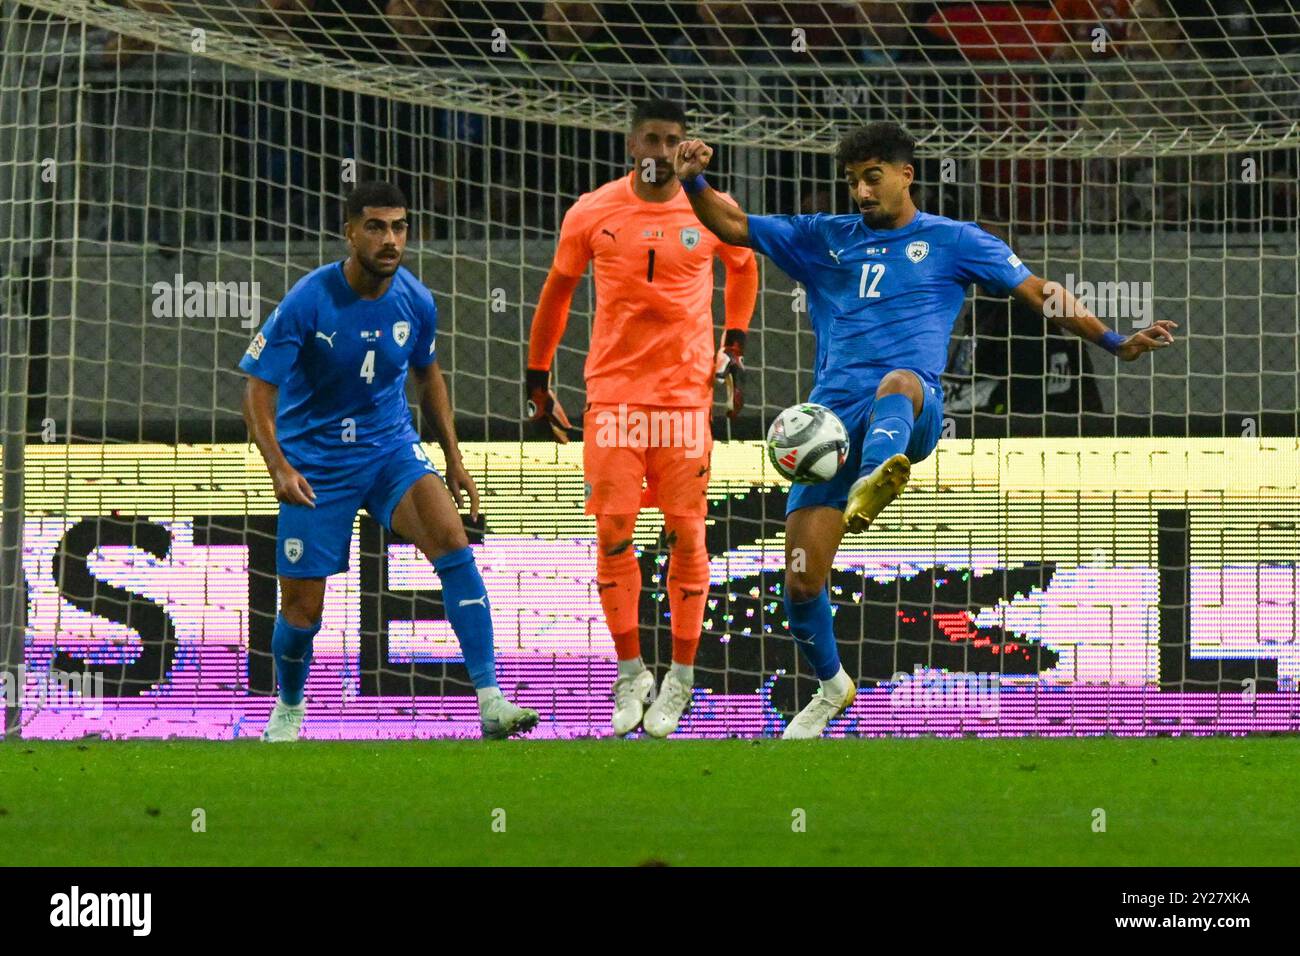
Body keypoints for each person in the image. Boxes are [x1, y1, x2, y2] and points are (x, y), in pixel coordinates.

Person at [672, 122, 1176, 738]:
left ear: (906, 174)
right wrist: (692, 177)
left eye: (872, 177)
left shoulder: (953, 240)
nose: (860, 191)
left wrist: (1115, 341)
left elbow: (1040, 292)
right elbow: (732, 224)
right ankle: (832, 685)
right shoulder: (823, 237)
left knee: (901, 382)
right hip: (827, 426)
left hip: (909, 413)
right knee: (802, 578)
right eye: (853, 180)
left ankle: (875, 479)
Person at [240, 181, 540, 741]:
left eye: (399, 226)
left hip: (389, 452)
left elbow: (428, 374)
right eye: (376, 226)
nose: (390, 239)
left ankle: (491, 700)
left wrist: (453, 456)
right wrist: (280, 466)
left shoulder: (416, 300)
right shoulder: (309, 299)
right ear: (349, 231)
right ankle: (289, 705)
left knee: (453, 543)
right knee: (302, 610)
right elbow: (257, 388)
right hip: (318, 466)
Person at [526, 98, 758, 737]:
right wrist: (536, 379)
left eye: (673, 139)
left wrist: (733, 346)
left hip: (685, 399)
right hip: (614, 398)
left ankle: (681, 677)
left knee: (688, 535)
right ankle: (631, 673)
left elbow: (744, 265)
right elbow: (558, 292)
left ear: (687, 147)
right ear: (632, 145)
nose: (660, 149)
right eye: (651, 138)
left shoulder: (709, 210)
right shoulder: (593, 211)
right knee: (612, 533)